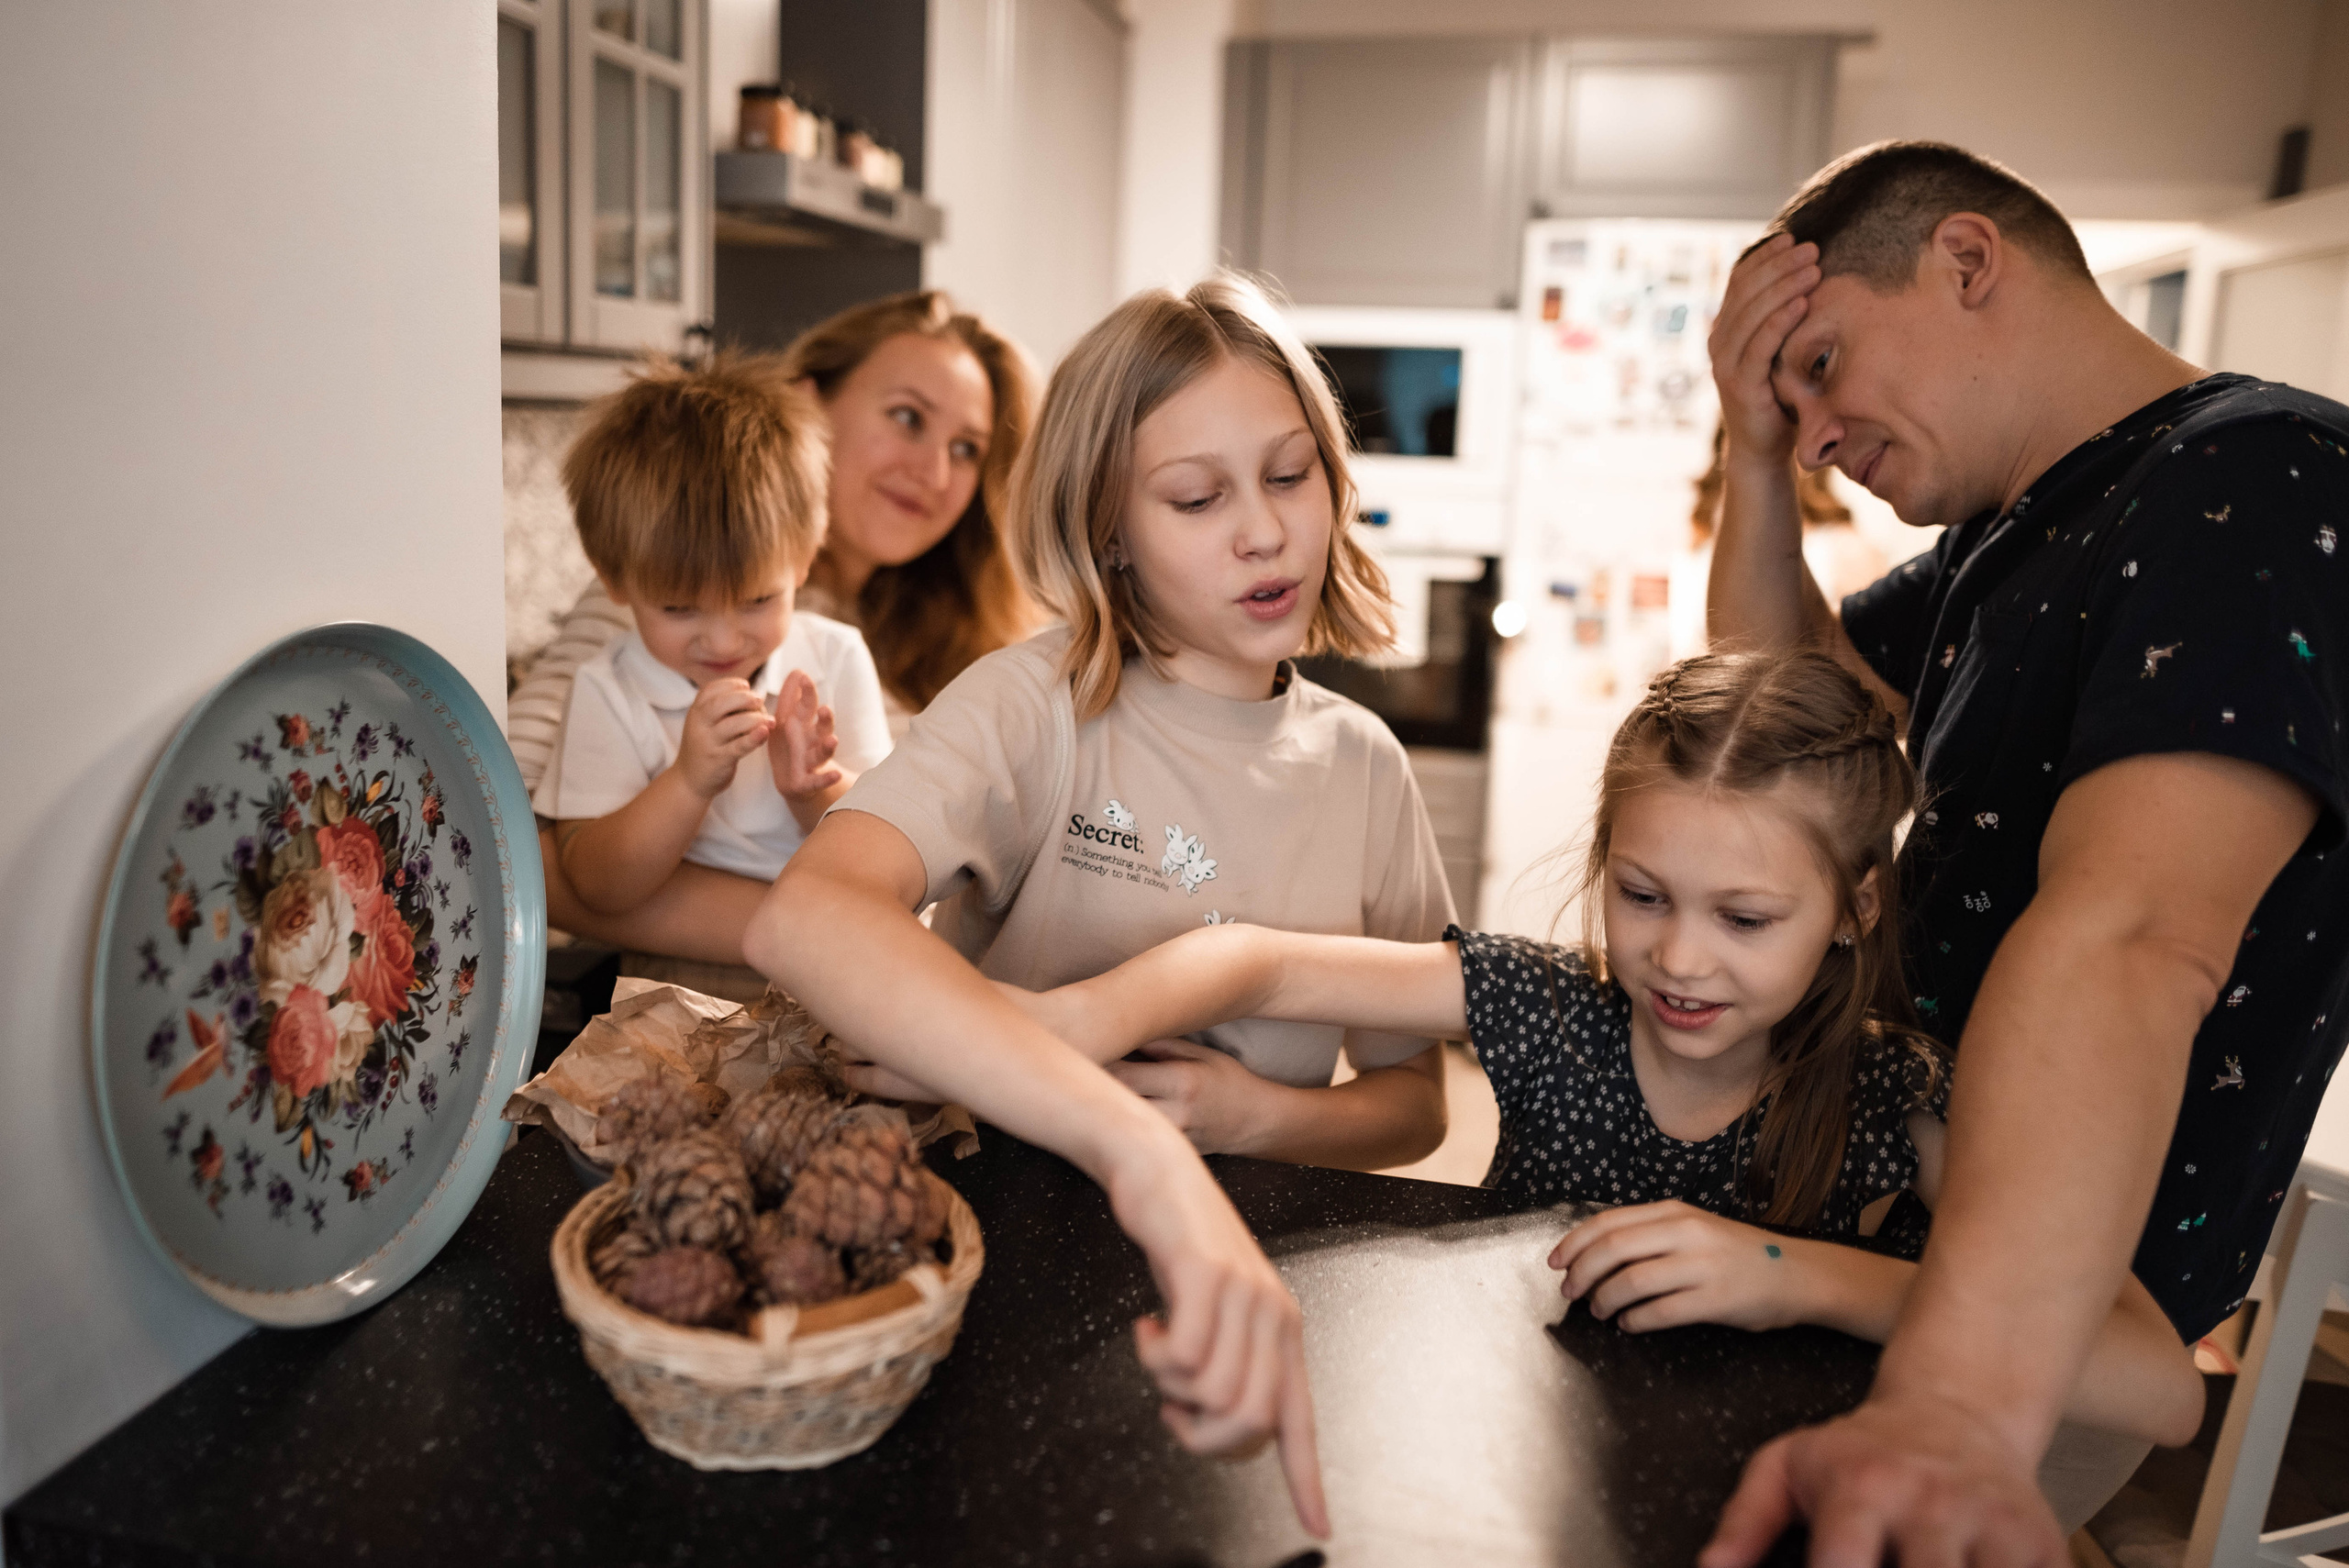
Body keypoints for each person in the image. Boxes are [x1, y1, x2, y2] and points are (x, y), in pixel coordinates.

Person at [1001, 650, 2204, 1454]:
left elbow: (2162, 1382)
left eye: (1744, 919)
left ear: (1855, 908)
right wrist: (1059, 1033)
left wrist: (1794, 1272)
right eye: (1642, 895)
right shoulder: (1548, 1007)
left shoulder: (1899, 1091)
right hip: (1512, 1472)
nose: (1680, 959)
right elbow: (1259, 960)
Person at [1697, 140, 2349, 1565]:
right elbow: (1784, 733)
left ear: (1970, 262)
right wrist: (1746, 449)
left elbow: (2136, 932)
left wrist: (1959, 1408)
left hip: (2043, 1307)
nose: (1812, 434)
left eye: (1819, 365)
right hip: (1914, 1222)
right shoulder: (2025, 527)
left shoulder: (2253, 477)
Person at [742, 274, 1461, 1532]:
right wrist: (1138, 1148)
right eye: (1197, 497)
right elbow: (806, 916)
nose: (1264, 533)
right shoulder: (1034, 706)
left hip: (1243, 1296)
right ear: (1110, 528)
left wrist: (1251, 1115)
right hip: (986, 1269)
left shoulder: (1365, 771)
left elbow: (1411, 1109)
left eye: (1290, 476)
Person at [513, 291, 1038, 973]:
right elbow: (516, 841)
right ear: (811, 406)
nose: (935, 473)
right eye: (908, 418)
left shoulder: (906, 633)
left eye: (967, 449)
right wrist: (828, 936)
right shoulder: (668, 570)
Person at [530, 353, 893, 918]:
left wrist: (814, 790)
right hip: (669, 975)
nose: (724, 644)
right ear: (615, 581)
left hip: (831, 967)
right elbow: (595, 886)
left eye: (757, 601)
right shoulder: (608, 689)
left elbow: (889, 853)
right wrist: (688, 783)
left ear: (803, 561)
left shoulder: (837, 658)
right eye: (679, 609)